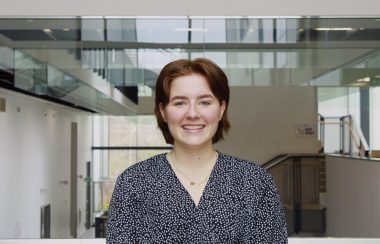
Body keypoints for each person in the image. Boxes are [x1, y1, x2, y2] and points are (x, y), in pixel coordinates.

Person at [106, 58, 288, 243]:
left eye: (205, 102)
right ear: (163, 111)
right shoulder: (133, 183)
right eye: (179, 103)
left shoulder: (255, 182)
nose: (192, 114)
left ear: (221, 109)